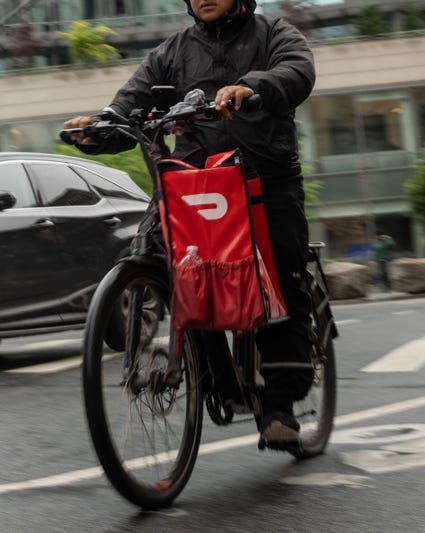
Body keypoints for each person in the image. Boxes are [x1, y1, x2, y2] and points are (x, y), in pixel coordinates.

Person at [62, 0, 316, 451]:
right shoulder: (171, 52)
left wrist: (252, 86)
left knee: (278, 281)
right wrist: (99, 129)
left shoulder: (274, 33)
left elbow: (296, 72)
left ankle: (280, 408)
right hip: (194, 186)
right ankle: (202, 363)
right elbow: (130, 103)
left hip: (264, 179)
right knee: (153, 250)